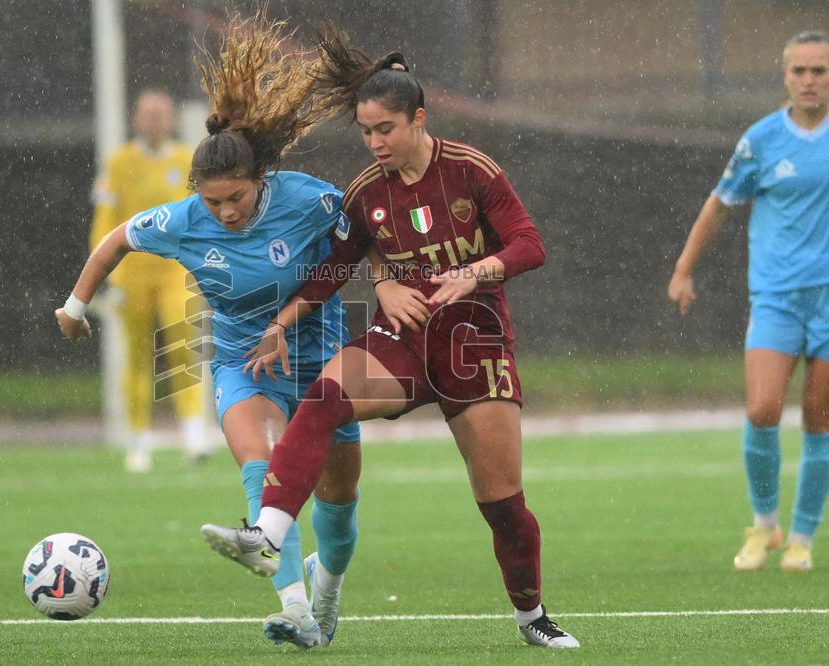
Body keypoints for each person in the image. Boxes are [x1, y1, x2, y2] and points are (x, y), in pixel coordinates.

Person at [201, 27, 580, 649]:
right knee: (324, 396)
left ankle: (531, 616)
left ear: (419, 119)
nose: (375, 143)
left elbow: (529, 245)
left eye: (386, 129)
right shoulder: (366, 193)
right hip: (399, 342)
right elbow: (330, 271)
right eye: (365, 131)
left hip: (472, 346)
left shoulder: (471, 170)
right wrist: (282, 324)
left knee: (502, 504)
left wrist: (475, 272)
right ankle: (268, 536)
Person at [58, 12, 361, 649]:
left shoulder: (307, 199)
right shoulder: (183, 218)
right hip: (239, 362)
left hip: (322, 362)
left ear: (262, 181)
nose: (225, 212)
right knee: (262, 466)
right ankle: (296, 608)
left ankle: (326, 594)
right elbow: (117, 239)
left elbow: (361, 238)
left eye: (237, 199)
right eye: (213, 201)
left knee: (339, 504)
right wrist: (74, 306)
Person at [668, 31, 829, 573]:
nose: (810, 80)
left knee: (819, 420)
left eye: (820, 71)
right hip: (778, 298)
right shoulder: (761, 140)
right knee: (762, 408)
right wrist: (684, 268)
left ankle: (804, 536)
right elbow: (720, 204)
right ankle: (765, 525)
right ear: (784, 76)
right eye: (800, 71)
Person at [90, 88, 214, 472]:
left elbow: (200, 218)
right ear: (135, 119)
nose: (155, 120)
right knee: (137, 355)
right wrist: (106, 270)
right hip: (133, 272)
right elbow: (105, 223)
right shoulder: (119, 162)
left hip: (175, 270)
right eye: (148, 113)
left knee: (182, 348)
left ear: (172, 118)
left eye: (161, 113)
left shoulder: (186, 160)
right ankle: (138, 439)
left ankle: (194, 432)